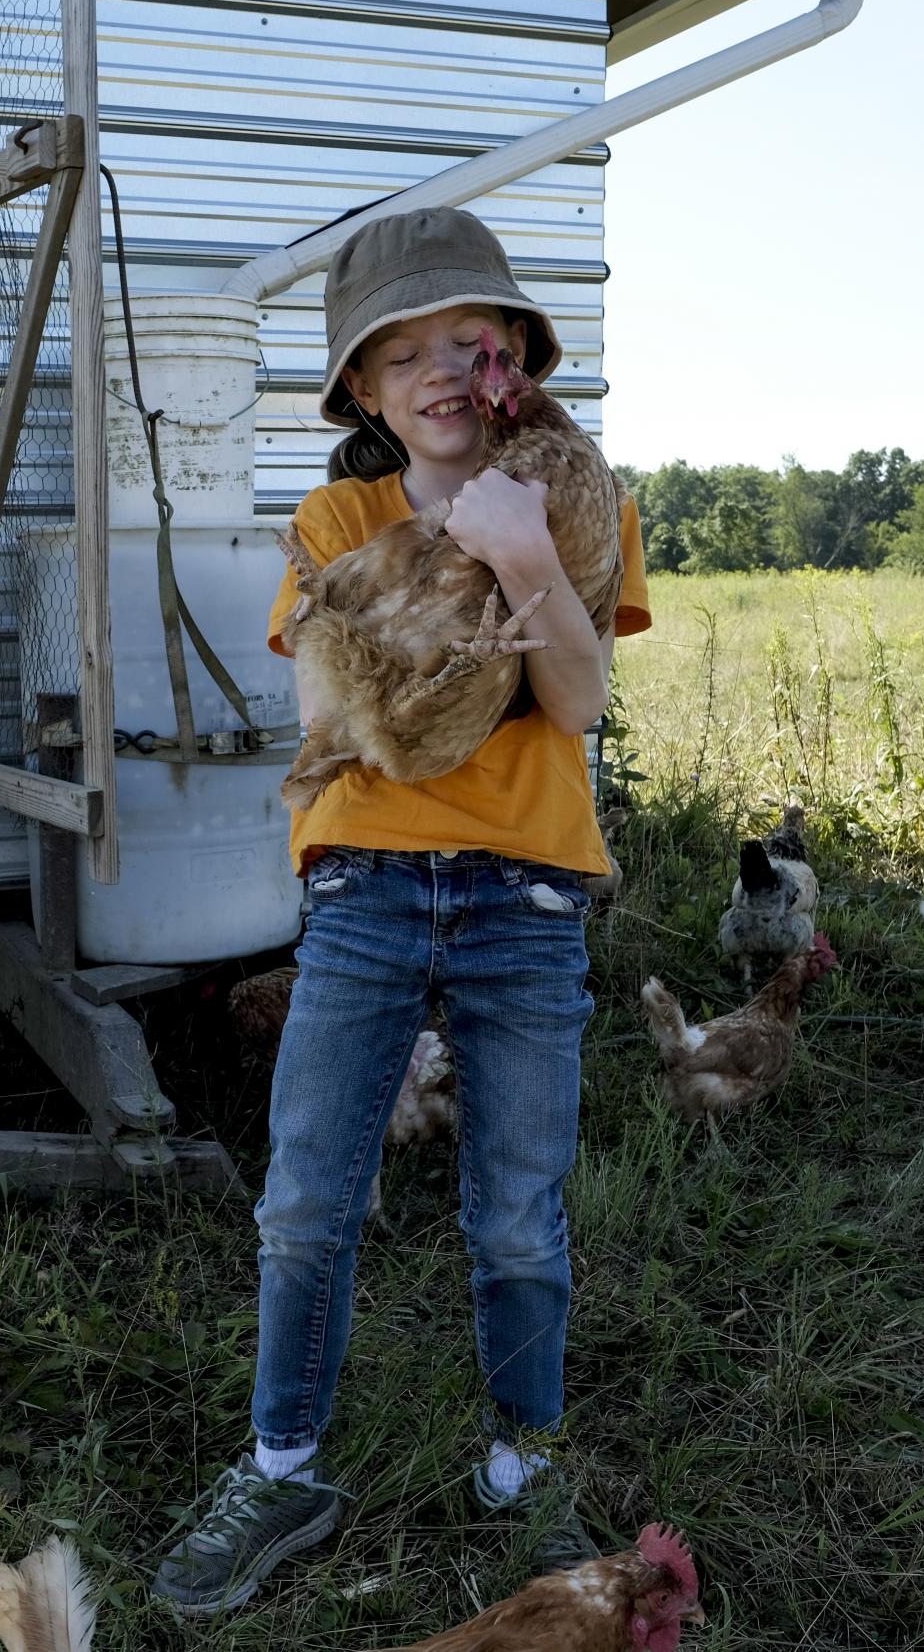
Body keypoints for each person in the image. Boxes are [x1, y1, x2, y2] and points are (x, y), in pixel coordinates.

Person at [151, 206, 650, 1617]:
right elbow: (338, 716)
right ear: (363, 391)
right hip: (367, 886)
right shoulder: (335, 521)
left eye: (468, 341)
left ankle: (522, 1458)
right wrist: (442, 565)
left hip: (529, 894)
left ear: (514, 364)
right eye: (402, 352)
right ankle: (283, 1462)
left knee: (514, 1210)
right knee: (309, 1195)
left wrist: (527, 557)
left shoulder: (583, 506)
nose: (441, 370)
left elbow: (581, 702)